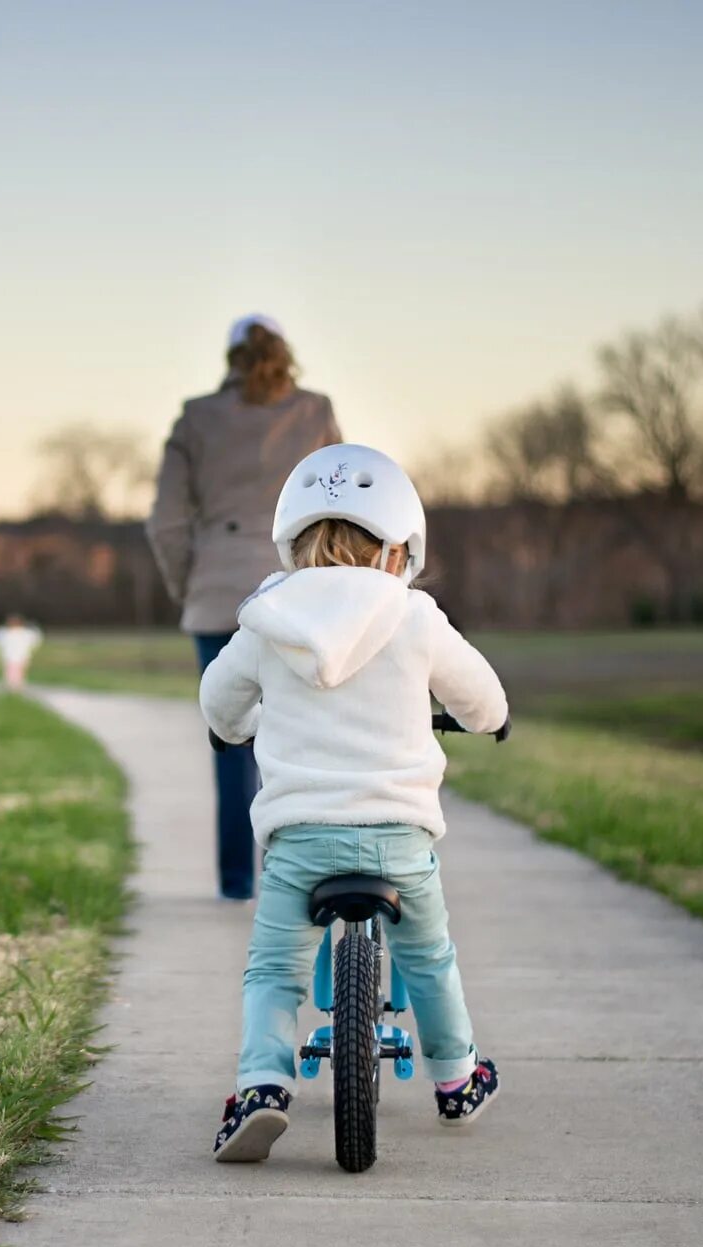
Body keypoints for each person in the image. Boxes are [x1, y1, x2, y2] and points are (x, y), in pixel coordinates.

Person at [199, 443, 510, 1161]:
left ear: (290, 542)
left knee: (273, 971)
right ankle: (458, 1081)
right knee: (430, 956)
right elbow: (482, 697)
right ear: (402, 549)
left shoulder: (268, 618)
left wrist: (231, 730)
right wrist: (492, 721)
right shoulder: (416, 616)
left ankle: (262, 1088)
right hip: (399, 839)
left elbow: (219, 702)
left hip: (300, 838)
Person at [147, 314, 342, 901]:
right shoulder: (316, 411)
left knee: (230, 740)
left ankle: (237, 884)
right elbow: (342, 500)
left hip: (218, 591)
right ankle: (300, 876)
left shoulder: (196, 417)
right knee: (311, 737)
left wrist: (191, 585)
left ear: (229, 358)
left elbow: (167, 522)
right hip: (302, 591)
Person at [0, 613, 44, 692]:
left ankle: (17, 686)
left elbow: (36, 640)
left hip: (21, 655)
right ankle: (11, 686)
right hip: (9, 656)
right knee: (10, 670)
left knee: (19, 671)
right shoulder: (5, 633)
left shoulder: (25, 633)